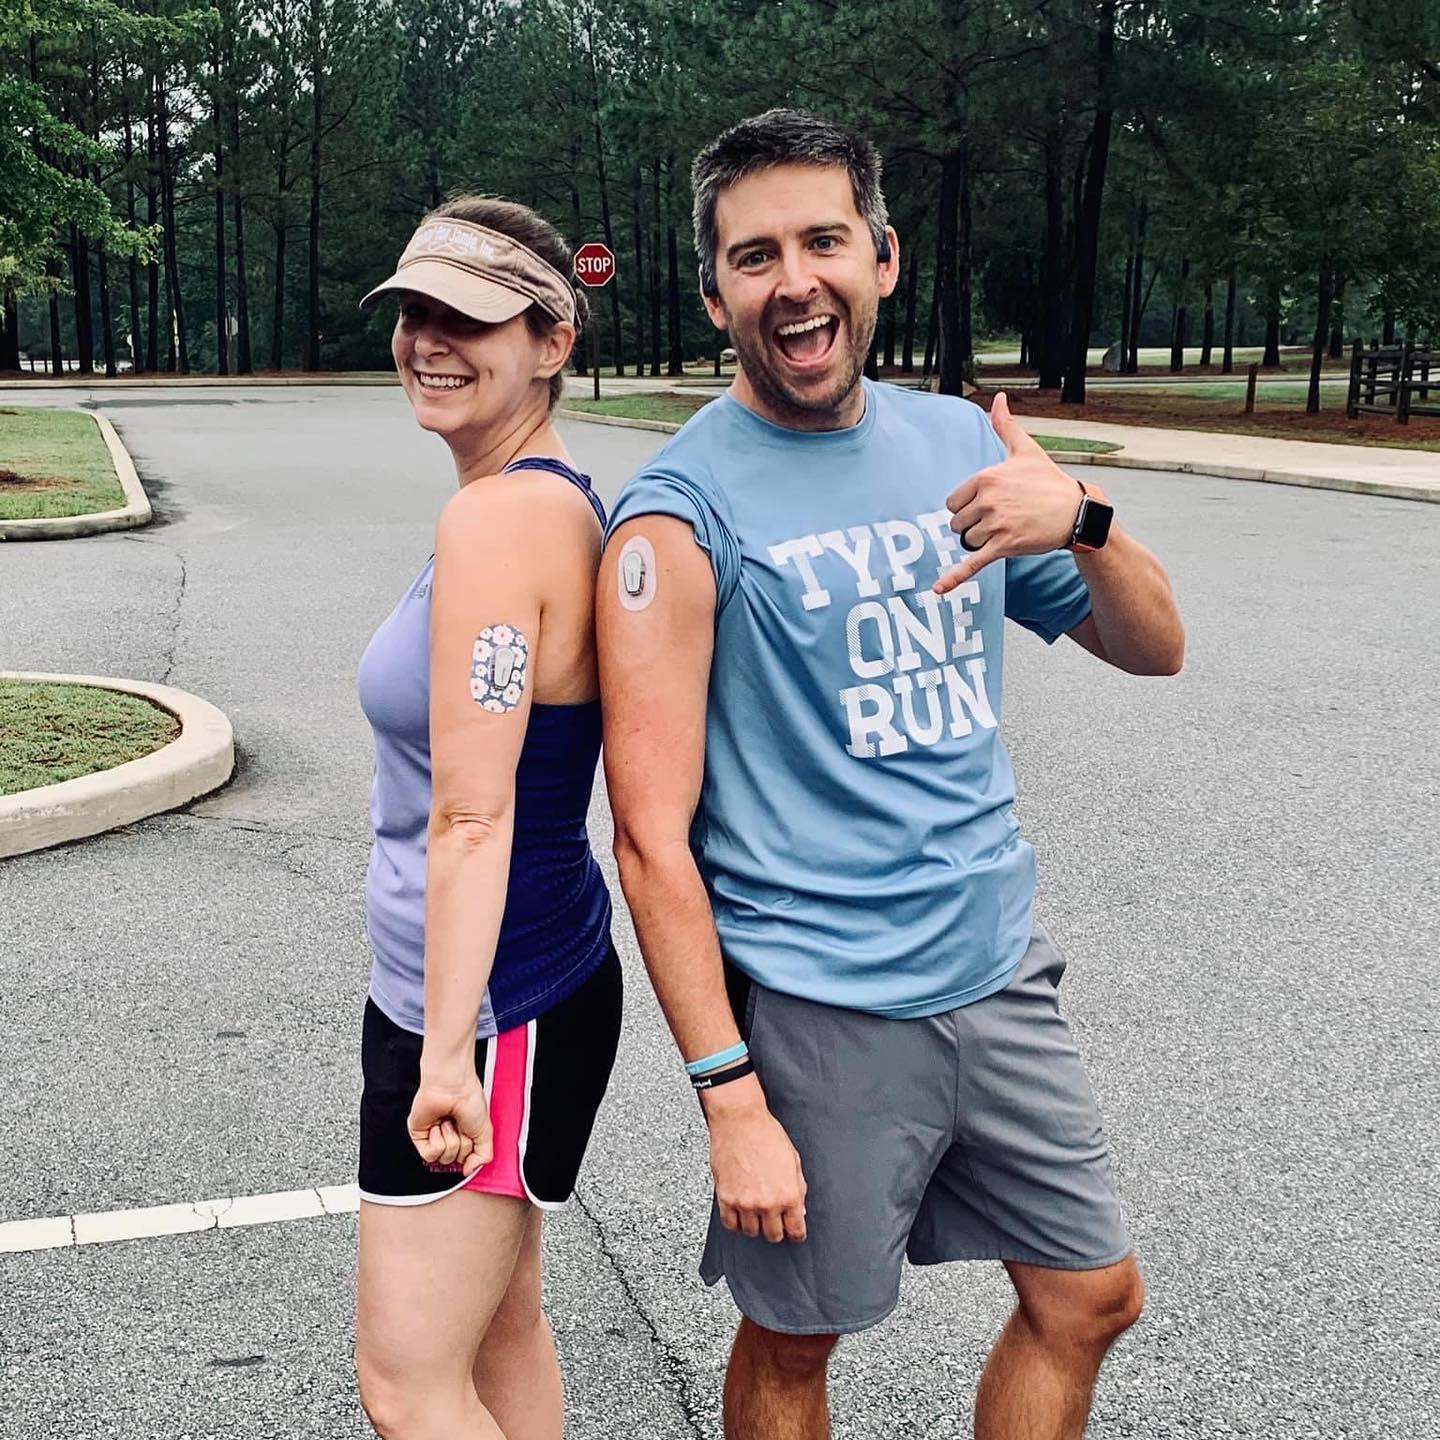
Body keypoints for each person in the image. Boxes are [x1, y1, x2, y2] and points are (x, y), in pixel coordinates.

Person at [597, 110, 1184, 1440]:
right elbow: (648, 837)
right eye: (755, 257)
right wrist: (726, 1094)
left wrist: (1082, 520)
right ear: (715, 295)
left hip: (999, 972)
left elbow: (1155, 651)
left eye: (821, 241)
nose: (793, 280)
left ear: (883, 258)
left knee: (1091, 1298)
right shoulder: (679, 514)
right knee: (800, 1342)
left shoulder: (961, 450)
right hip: (823, 1011)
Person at [352, 196, 621, 1440]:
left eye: (468, 317)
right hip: (492, 988)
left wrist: (449, 1050)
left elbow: (473, 813)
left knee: (407, 1388)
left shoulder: (503, 516)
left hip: (491, 1006)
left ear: (552, 340)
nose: (429, 340)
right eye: (414, 311)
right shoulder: (532, 498)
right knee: (500, 1324)